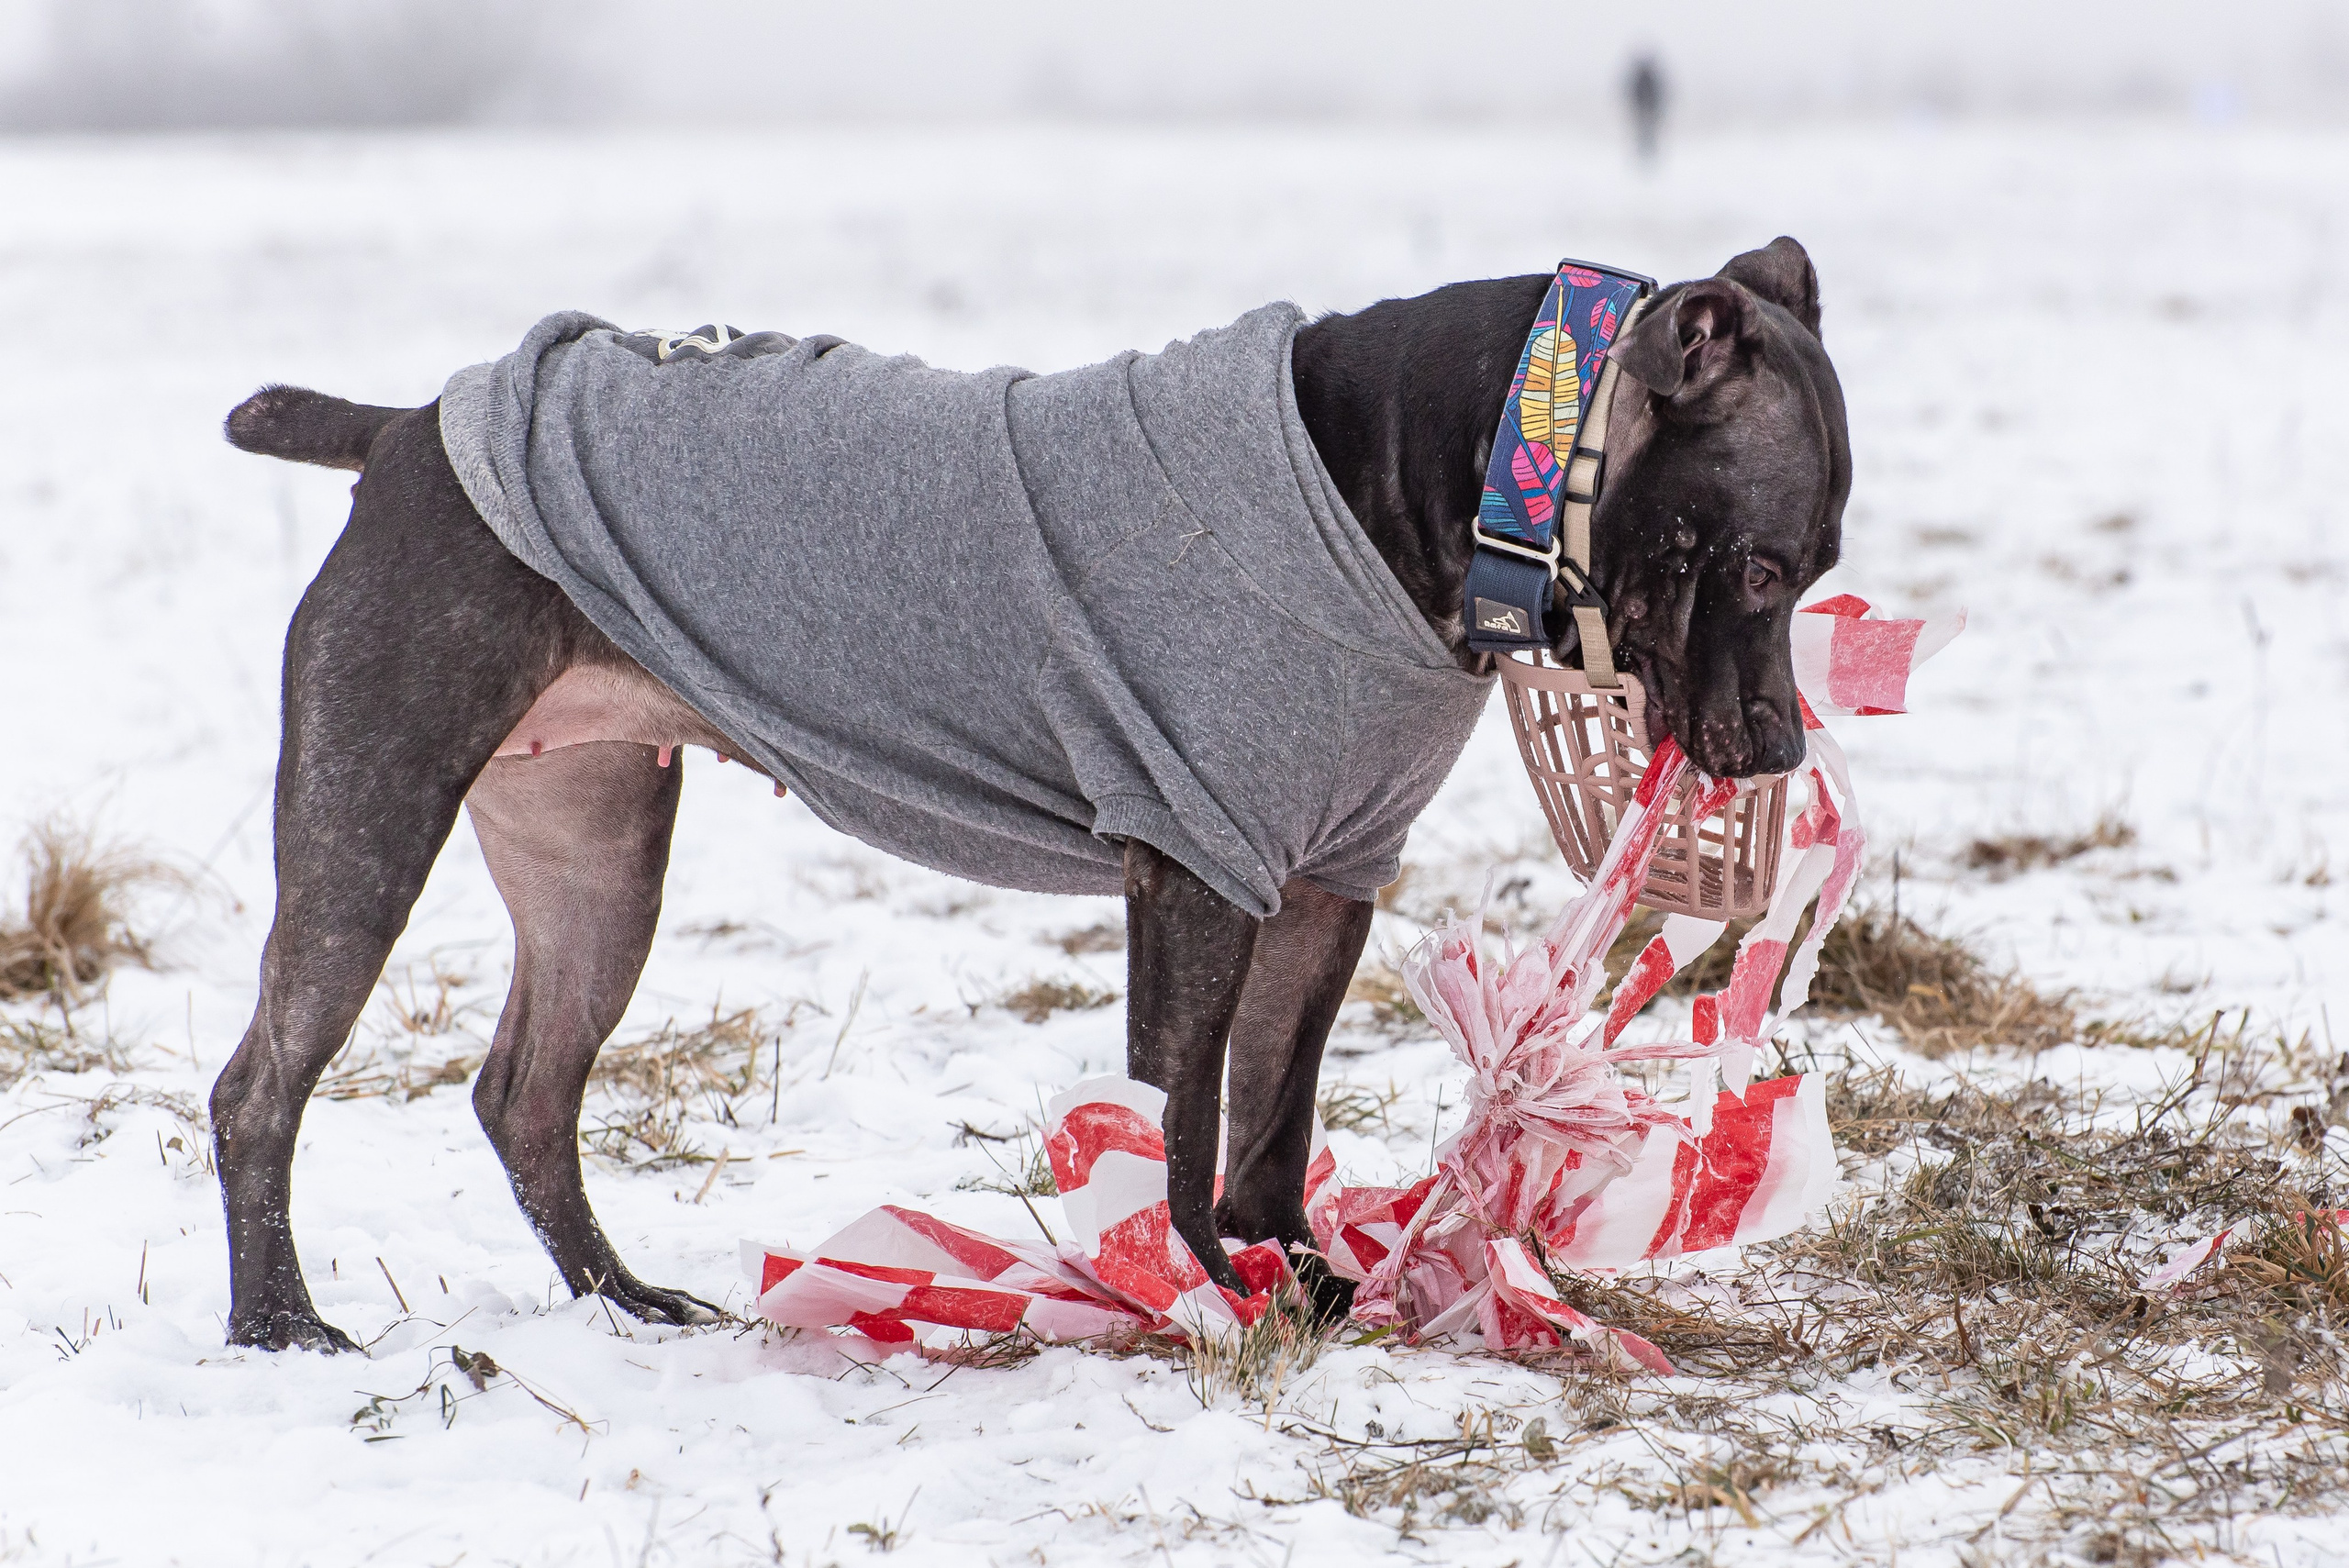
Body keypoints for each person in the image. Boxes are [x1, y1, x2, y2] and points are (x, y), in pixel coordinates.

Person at [1626, 52, 1665, 163]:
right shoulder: (1649, 78)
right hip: (1644, 110)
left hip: (1646, 109)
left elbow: (1657, 94)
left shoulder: (1645, 78)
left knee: (1646, 131)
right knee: (1644, 131)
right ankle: (1644, 151)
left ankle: (1647, 151)